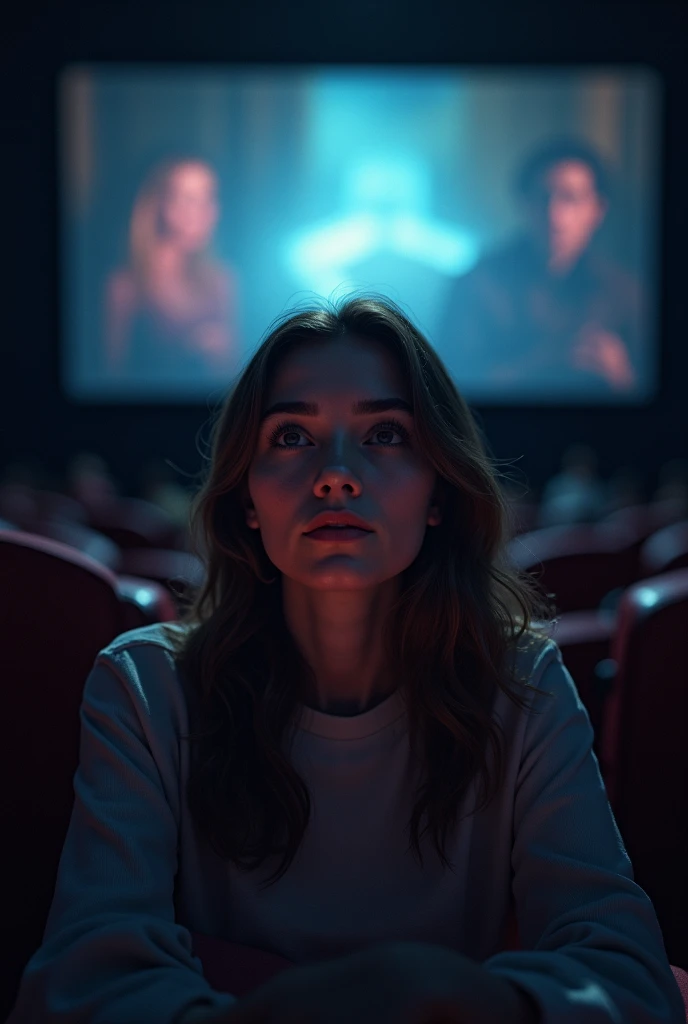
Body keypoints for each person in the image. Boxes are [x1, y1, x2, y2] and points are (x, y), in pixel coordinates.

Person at [8, 296, 684, 1024]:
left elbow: (626, 971)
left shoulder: (522, 684)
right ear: (247, 500)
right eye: (293, 436)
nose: (336, 476)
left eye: (385, 434)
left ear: (438, 492)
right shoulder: (146, 686)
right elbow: (83, 980)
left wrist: (476, 1002)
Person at [439, 138, 643, 395]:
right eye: (543, 197)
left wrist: (619, 373)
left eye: (570, 198)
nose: (555, 215)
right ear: (523, 203)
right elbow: (448, 389)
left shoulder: (626, 293)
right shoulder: (477, 284)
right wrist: (548, 361)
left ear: (598, 210)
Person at [104, 158, 239, 380]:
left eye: (210, 198)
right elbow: (110, 380)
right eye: (187, 199)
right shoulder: (125, 287)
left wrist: (222, 355)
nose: (202, 212)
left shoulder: (222, 280)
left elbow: (239, 380)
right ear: (156, 204)